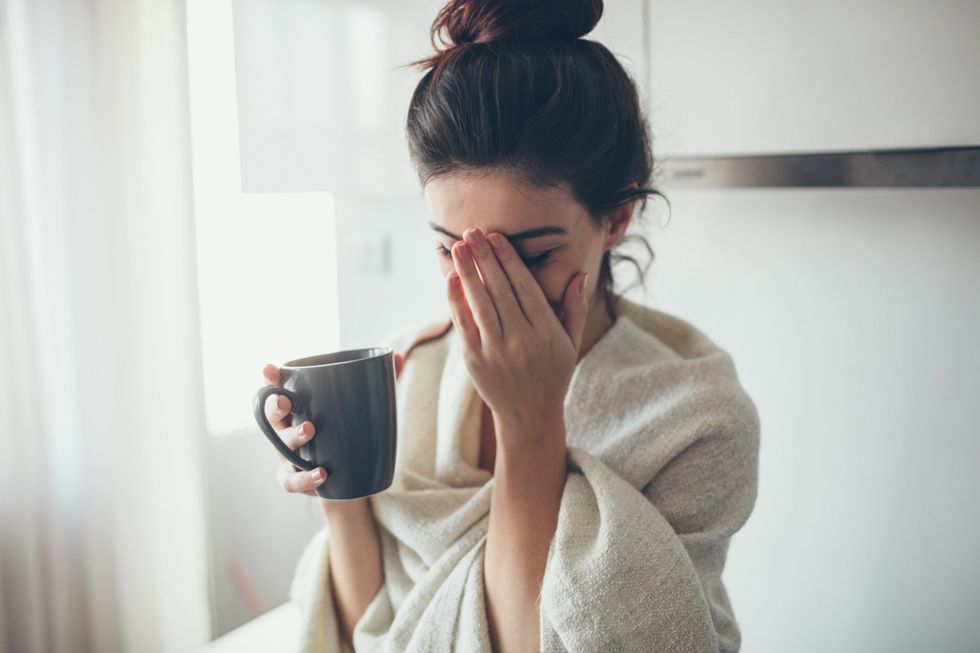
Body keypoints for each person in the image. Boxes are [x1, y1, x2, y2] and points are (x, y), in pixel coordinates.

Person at [261, 1, 760, 651]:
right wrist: (340, 485)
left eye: (531, 256)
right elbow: (369, 633)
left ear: (615, 218)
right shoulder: (408, 372)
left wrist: (530, 423)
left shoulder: (695, 417)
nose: (485, 292)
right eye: (451, 251)